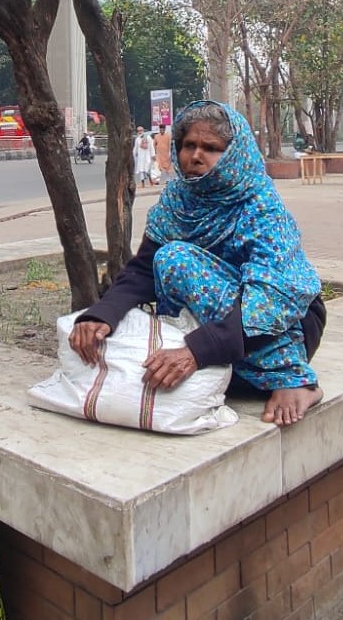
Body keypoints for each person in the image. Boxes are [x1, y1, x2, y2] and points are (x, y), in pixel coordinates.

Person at [69, 100, 326, 427]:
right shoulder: (177, 199)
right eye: (188, 145)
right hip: (220, 331)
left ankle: (293, 379)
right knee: (166, 261)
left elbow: (271, 299)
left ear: (234, 154)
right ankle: (226, 364)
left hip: (285, 325)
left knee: (177, 261)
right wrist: (102, 314)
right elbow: (143, 269)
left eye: (211, 148)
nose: (195, 156)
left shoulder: (261, 205)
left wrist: (196, 351)